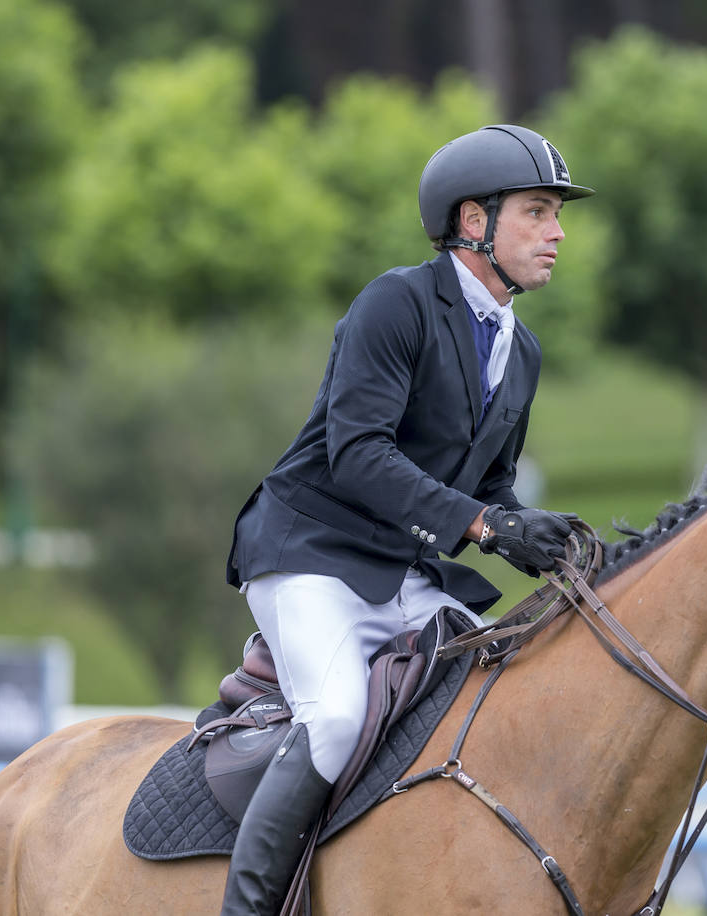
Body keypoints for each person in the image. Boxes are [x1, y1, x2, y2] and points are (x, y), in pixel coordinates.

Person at [220, 124, 595, 914]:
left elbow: (490, 485)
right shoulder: (396, 303)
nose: (558, 233)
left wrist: (540, 536)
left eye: (557, 215)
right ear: (473, 223)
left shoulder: (519, 351)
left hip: (403, 573)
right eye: (537, 212)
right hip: (309, 553)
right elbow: (358, 453)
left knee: (505, 686)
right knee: (336, 720)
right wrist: (488, 529)